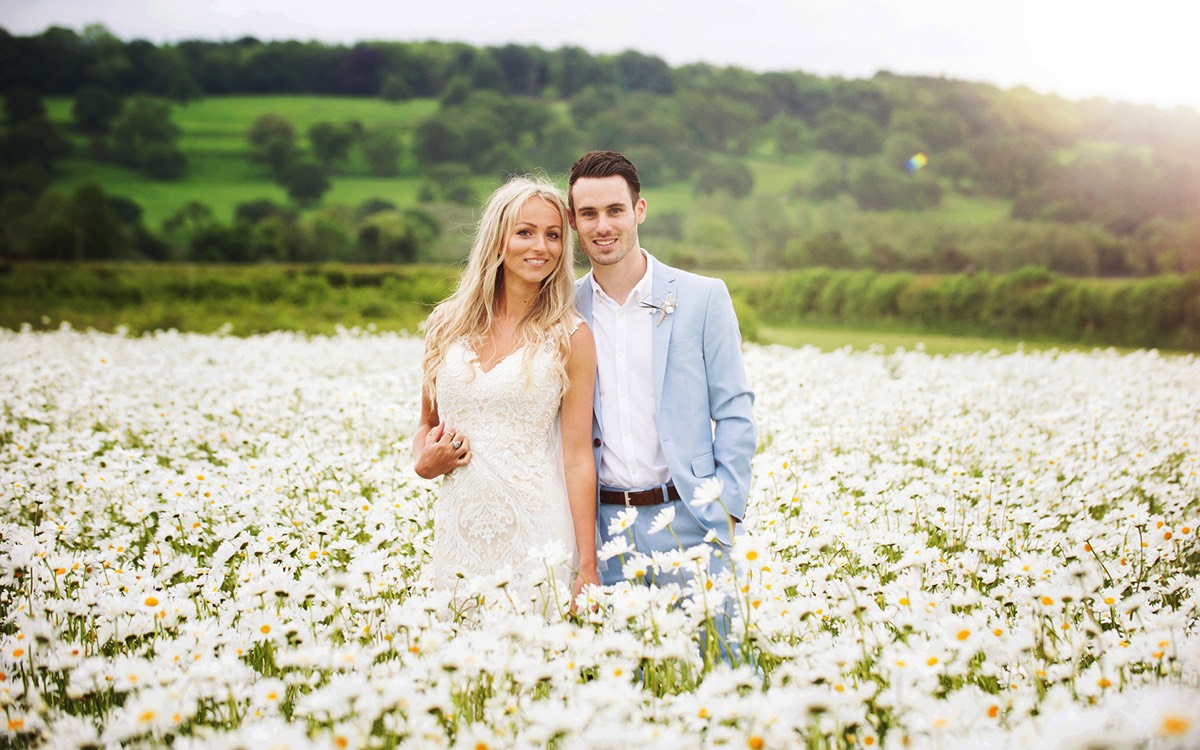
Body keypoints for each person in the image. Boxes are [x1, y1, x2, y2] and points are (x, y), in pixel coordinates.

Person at [568, 150, 756, 590]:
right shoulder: (562, 310)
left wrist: (726, 507)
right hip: (603, 531)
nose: (603, 226)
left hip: (694, 520)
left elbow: (734, 408)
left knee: (719, 657)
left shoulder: (703, 297)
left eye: (615, 210)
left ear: (639, 210)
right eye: (588, 214)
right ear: (573, 223)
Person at [413, 176, 599, 608]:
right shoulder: (445, 325)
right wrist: (424, 461)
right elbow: (427, 423)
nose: (542, 246)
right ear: (498, 240)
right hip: (459, 528)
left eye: (553, 235)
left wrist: (586, 565)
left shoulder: (571, 336)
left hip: (537, 527)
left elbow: (576, 456)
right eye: (525, 232)